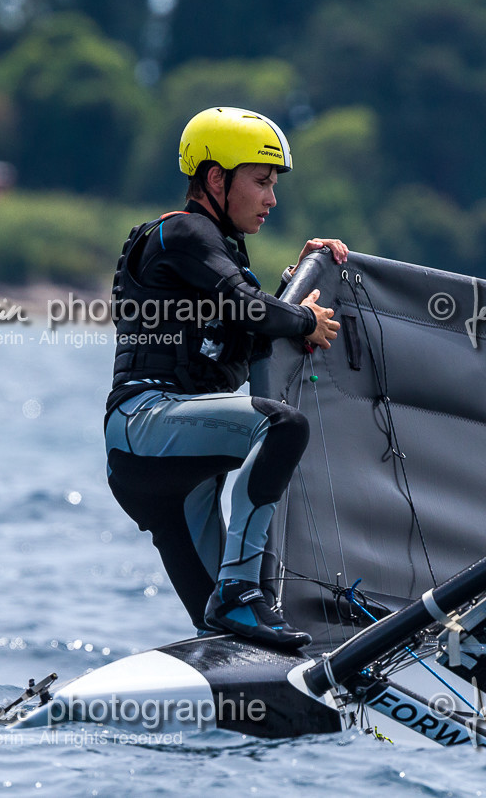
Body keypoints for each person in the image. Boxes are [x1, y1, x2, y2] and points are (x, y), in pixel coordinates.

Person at [103, 106, 347, 649]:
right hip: (146, 425)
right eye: (261, 182)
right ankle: (239, 591)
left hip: (170, 474)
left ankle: (235, 630)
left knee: (231, 643)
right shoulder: (183, 232)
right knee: (283, 427)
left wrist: (299, 279)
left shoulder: (215, 257)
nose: (271, 198)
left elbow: (249, 319)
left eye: (273, 185)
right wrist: (305, 317)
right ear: (216, 179)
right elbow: (246, 305)